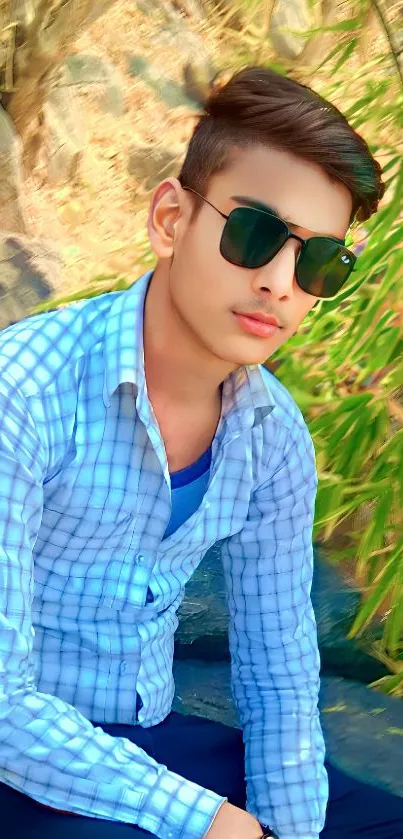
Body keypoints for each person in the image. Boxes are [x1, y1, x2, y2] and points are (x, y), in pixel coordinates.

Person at [0, 65, 401, 839]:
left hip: (152, 743)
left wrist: (288, 830)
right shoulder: (23, 392)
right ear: (170, 219)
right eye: (253, 234)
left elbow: (278, 676)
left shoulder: (272, 436)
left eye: (320, 263)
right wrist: (216, 825)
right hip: (20, 758)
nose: (281, 283)